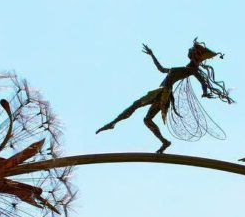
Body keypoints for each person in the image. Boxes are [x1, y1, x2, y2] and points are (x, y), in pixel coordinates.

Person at [96, 38, 233, 153]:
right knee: (144, 116)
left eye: (190, 50)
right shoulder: (183, 68)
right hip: (160, 92)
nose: (188, 51)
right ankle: (163, 141)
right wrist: (152, 55)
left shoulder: (191, 69)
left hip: (165, 94)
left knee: (139, 109)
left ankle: (114, 124)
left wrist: (205, 93)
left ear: (195, 55)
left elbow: (202, 81)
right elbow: (162, 70)